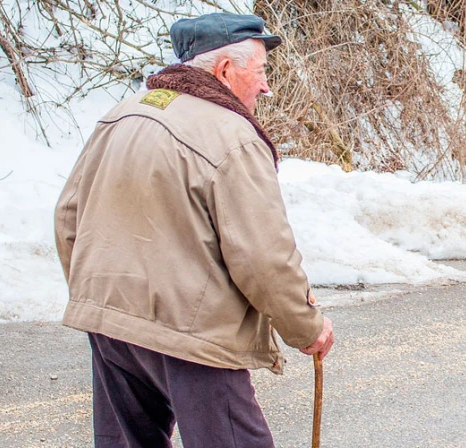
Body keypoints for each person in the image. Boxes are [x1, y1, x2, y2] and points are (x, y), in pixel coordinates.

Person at [54, 12, 334, 448]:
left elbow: (69, 217)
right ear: (224, 69)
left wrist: (99, 295)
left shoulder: (121, 115)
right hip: (192, 335)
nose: (265, 86)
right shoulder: (232, 135)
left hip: (111, 326)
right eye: (260, 72)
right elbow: (262, 255)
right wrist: (306, 327)